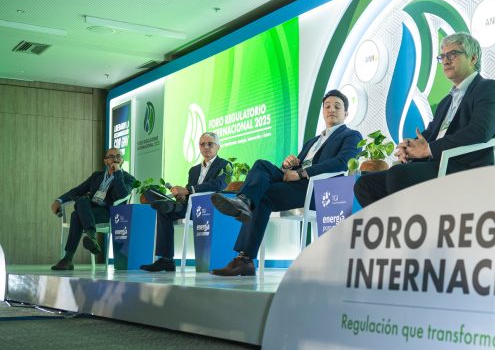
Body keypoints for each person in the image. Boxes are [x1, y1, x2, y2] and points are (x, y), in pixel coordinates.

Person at [209, 89, 363, 276]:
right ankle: (244, 202)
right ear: (323, 112)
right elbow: (298, 165)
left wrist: (302, 173)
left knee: (263, 196)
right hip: (296, 182)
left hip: (318, 189)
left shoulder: (351, 135)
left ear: (346, 113)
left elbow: (342, 162)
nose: (331, 110)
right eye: (327, 106)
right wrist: (289, 165)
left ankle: (245, 258)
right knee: (261, 165)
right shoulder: (312, 141)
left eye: (337, 107)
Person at [354, 32, 495, 207]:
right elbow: (430, 134)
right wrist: (409, 148)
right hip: (437, 165)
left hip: (467, 167)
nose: (446, 61)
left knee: (398, 174)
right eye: (442, 57)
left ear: (473, 58)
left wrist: (428, 149)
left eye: (452, 54)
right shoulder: (446, 101)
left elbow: (480, 131)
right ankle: (393, 224)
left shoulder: (488, 88)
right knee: (365, 185)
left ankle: (409, 223)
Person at [140, 132, 231, 272]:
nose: (206, 147)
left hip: (208, 208)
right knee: (154, 198)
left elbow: (219, 185)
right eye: (202, 144)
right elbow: (188, 195)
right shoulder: (193, 170)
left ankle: (170, 206)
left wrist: (189, 190)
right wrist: (182, 196)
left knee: (166, 209)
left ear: (218, 147)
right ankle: (166, 260)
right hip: (189, 206)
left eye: (210, 144)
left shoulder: (225, 165)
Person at [50, 148, 136, 270]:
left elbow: (122, 194)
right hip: (89, 208)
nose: (115, 159)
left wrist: (117, 173)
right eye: (111, 156)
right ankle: (92, 238)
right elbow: (78, 190)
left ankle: (68, 259)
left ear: (122, 160)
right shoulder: (97, 176)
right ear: (105, 161)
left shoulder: (128, 178)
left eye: (118, 156)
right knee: (81, 201)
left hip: (108, 212)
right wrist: (59, 201)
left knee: (76, 215)